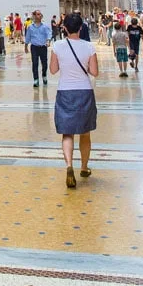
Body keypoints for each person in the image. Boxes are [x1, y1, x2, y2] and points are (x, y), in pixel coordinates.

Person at [49, 12, 99, 188]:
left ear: (64, 28)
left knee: (67, 133)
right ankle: (84, 167)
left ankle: (69, 166)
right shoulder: (88, 47)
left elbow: (53, 70)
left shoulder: (57, 46)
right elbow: (94, 72)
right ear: (80, 28)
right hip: (84, 92)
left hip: (65, 92)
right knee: (85, 133)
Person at [25, 10, 52, 87]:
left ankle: (44, 75)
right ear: (34, 16)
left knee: (44, 64)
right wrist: (26, 47)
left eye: (40, 14)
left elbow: (49, 34)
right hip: (34, 48)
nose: (39, 15)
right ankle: (36, 80)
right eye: (37, 14)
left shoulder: (45, 26)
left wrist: (48, 41)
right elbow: (27, 37)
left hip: (43, 47)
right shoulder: (30, 27)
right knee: (35, 63)